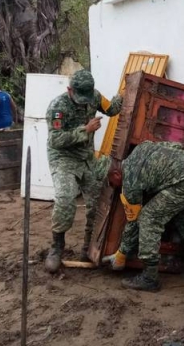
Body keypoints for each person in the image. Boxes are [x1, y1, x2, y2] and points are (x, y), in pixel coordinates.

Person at [104, 140, 184, 291]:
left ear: (116, 174)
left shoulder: (130, 182)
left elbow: (133, 223)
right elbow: (177, 145)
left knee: (148, 217)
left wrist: (121, 254)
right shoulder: (142, 147)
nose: (112, 186)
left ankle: (149, 277)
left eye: (110, 182)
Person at [44, 69, 123, 273]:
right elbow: (55, 140)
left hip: (86, 159)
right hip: (64, 158)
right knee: (66, 199)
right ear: (70, 90)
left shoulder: (93, 96)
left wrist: (126, 90)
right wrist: (85, 130)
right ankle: (56, 248)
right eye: (79, 97)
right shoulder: (57, 107)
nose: (83, 102)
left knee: (96, 203)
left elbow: (112, 108)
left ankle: (88, 249)